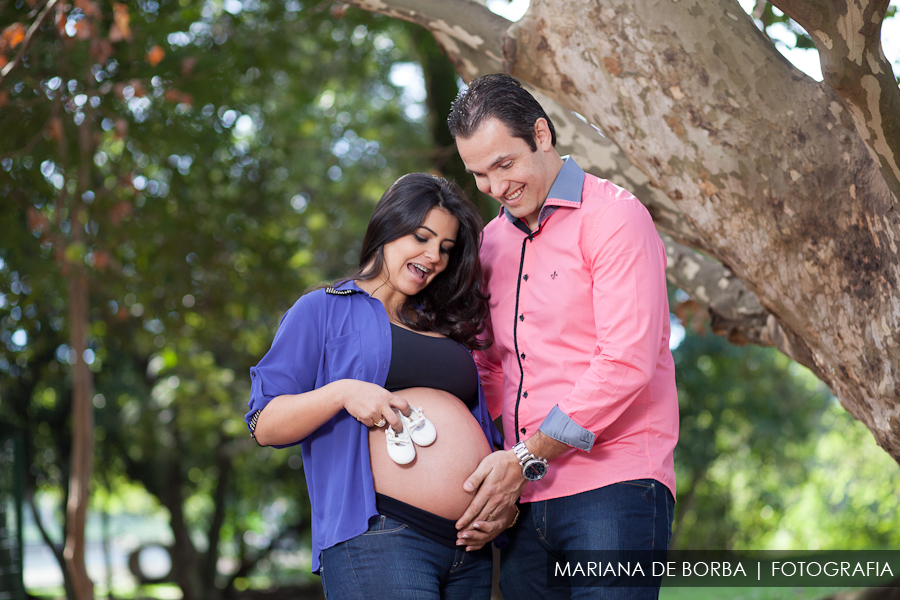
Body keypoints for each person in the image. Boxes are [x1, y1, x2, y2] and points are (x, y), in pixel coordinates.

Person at [448, 74, 679, 598]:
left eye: (504, 165)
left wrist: (524, 457)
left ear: (543, 135)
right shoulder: (488, 244)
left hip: (615, 488)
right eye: (479, 175)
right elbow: (489, 368)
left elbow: (625, 362)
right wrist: (488, 477)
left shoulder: (616, 218)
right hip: (523, 503)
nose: (496, 188)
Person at [244, 173, 517, 600]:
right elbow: (263, 422)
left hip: (470, 552)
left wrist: (503, 505)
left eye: (445, 249)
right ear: (389, 226)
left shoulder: (447, 328)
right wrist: (342, 392)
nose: (434, 257)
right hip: (382, 538)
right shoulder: (323, 309)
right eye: (422, 238)